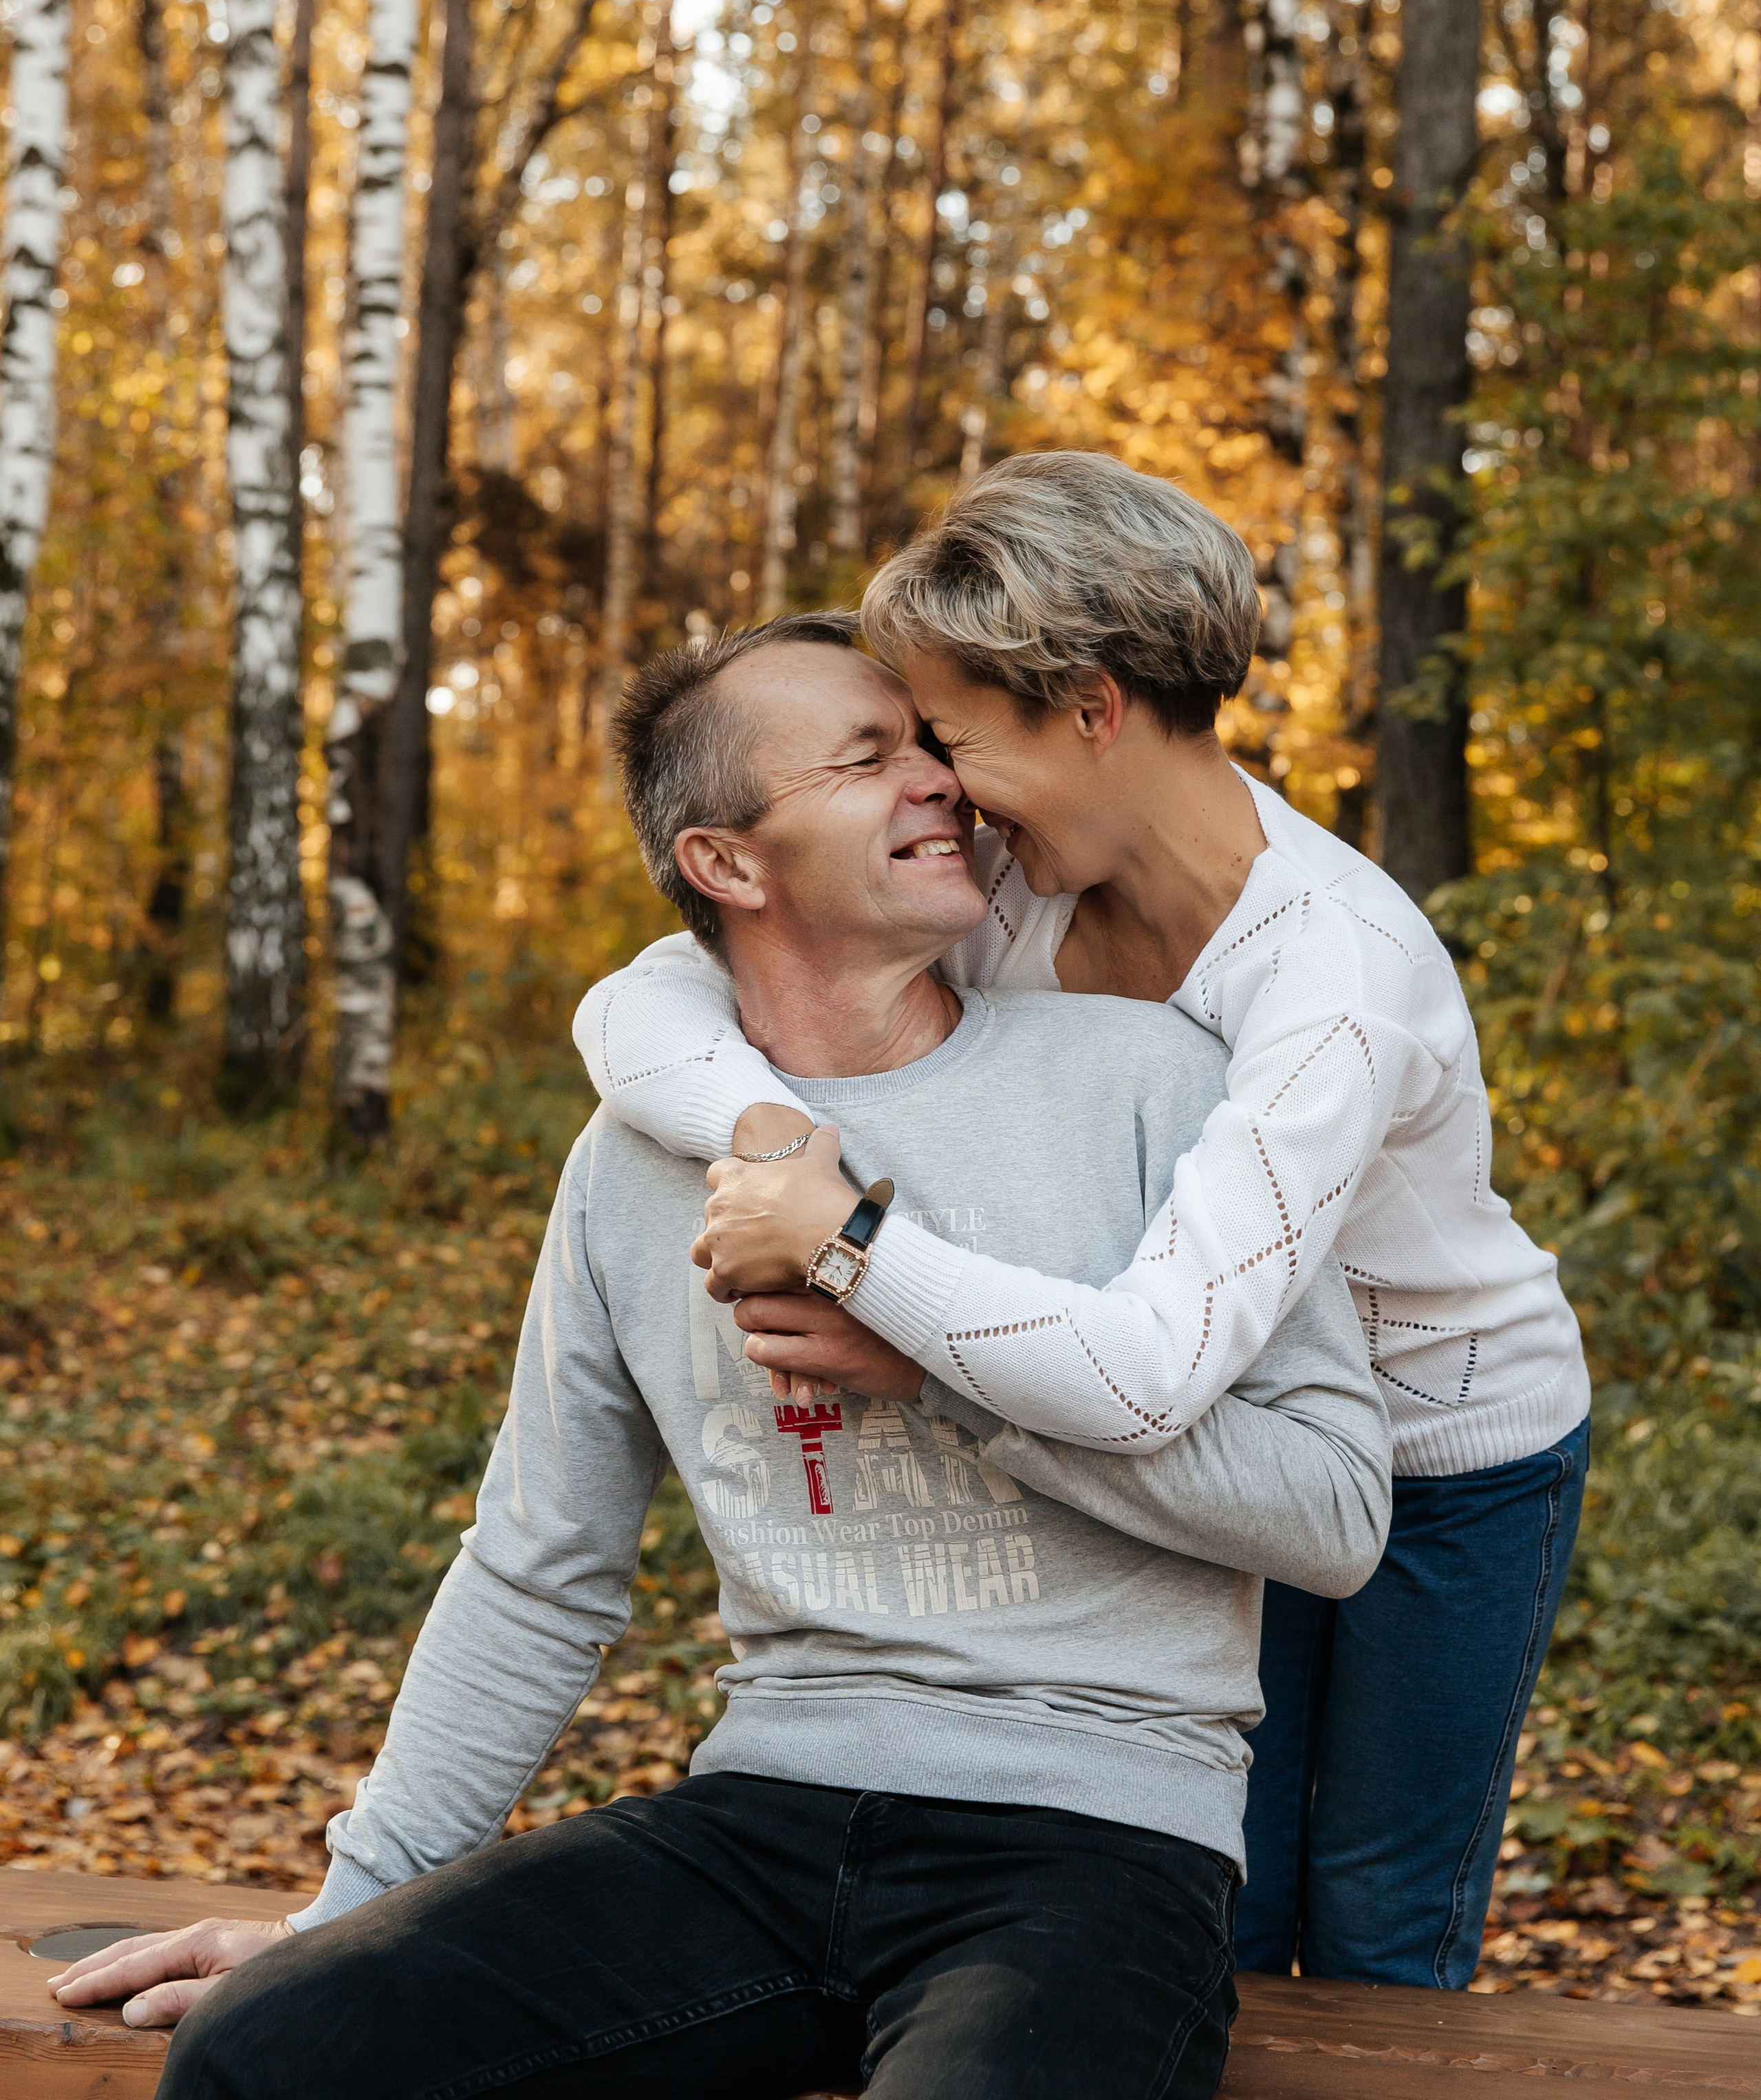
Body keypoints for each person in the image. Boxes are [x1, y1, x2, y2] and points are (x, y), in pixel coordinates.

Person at [54, 614, 1390, 2100]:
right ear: (729, 865)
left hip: (1090, 1843)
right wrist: (345, 1912)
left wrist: (938, 1364)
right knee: (270, 2057)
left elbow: (1330, 1515)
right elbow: (536, 1565)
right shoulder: (635, 1162)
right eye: (868, 756)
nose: (937, 781)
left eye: (929, 747)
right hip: (759, 1814)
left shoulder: (1147, 1080)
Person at [577, 453, 1592, 1992]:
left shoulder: (1330, 980)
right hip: (1200, 1451)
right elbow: (644, 1000)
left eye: (954, 739)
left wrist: (847, 1240)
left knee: (1378, 1922)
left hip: (1433, 1456)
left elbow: (1146, 1367)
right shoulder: (1020, 880)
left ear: (1089, 709)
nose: (937, 784)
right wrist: (778, 1146)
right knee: (1219, 1908)